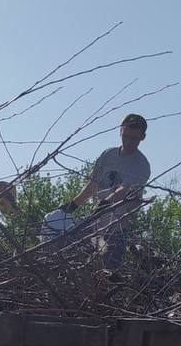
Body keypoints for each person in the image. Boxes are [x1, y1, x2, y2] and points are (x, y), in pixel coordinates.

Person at [62, 113, 151, 268]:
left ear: (143, 137)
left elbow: (125, 190)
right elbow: (92, 186)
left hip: (117, 229)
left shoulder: (141, 165)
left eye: (134, 138)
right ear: (120, 131)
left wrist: (105, 203)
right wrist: (71, 206)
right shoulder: (107, 155)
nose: (129, 142)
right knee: (79, 267)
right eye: (126, 136)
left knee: (107, 272)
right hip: (94, 226)